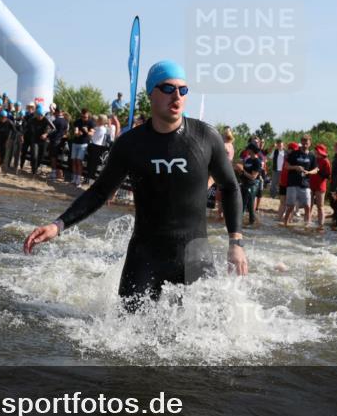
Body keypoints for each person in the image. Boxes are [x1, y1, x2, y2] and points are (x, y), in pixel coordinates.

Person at [23, 60, 247, 312]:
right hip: (145, 255)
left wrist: (235, 243)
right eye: (168, 88)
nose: (177, 95)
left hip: (195, 254)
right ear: (151, 93)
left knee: (207, 338)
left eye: (183, 90)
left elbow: (230, 187)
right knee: (123, 337)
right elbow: (99, 192)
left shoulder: (206, 136)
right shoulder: (130, 144)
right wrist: (58, 225)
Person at [282, 136, 318, 227]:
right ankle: (285, 224)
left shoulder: (312, 156)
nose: (305, 142)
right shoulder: (294, 153)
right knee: (290, 206)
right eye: (303, 140)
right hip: (292, 183)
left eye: (307, 141)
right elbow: (286, 166)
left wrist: (309, 172)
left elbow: (316, 169)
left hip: (305, 184)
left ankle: (307, 225)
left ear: (310, 143)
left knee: (307, 206)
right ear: (301, 142)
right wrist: (295, 167)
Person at [236, 142, 263, 226]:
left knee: (247, 206)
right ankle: (246, 223)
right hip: (245, 184)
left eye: (248, 149)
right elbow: (243, 174)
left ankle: (246, 223)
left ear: (251, 150)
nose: (247, 150)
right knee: (244, 205)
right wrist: (239, 170)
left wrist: (242, 170)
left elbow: (253, 177)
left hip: (252, 185)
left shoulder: (257, 161)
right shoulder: (248, 160)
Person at [85, 113, 111, 186]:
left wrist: (88, 132)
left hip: (96, 147)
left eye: (98, 119)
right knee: (91, 164)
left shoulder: (100, 128)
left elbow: (93, 137)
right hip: (96, 147)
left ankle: (91, 181)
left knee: (92, 164)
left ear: (100, 120)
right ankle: (89, 180)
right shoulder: (101, 128)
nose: (96, 120)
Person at [70, 108, 94, 187]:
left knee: (79, 161)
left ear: (88, 115)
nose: (84, 118)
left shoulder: (91, 122)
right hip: (75, 143)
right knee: (74, 160)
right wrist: (77, 133)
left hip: (84, 144)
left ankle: (78, 180)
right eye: (83, 117)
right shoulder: (77, 121)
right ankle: (74, 178)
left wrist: (86, 131)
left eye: (86, 117)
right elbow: (75, 131)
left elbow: (91, 134)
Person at [310, 143, 331, 230]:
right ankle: (307, 221)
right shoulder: (313, 159)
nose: (316, 153)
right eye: (316, 151)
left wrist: (319, 172)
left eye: (317, 152)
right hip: (311, 184)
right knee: (309, 205)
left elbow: (328, 175)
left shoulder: (326, 161)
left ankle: (321, 224)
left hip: (320, 185)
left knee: (320, 206)